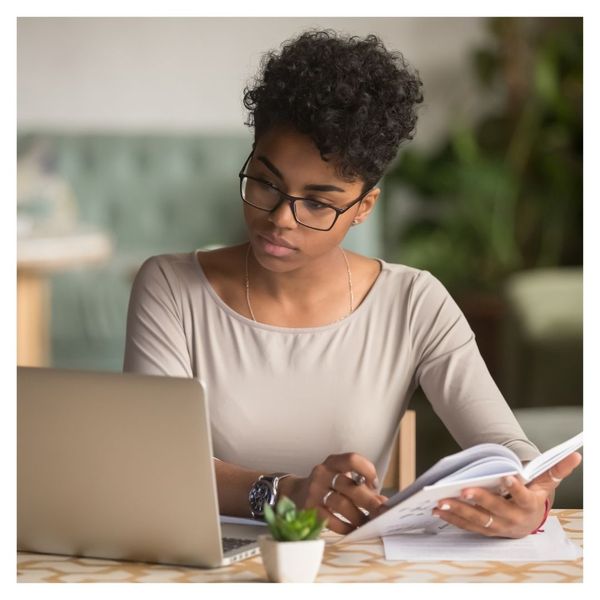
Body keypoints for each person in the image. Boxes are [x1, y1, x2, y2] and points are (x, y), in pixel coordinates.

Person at [123, 30, 581, 538]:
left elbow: (504, 444)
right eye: (265, 182)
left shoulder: (414, 302)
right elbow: (150, 459)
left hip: (351, 569)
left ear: (363, 207)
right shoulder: (169, 286)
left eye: (318, 202)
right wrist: (282, 494)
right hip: (204, 565)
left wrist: (531, 498)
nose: (280, 218)